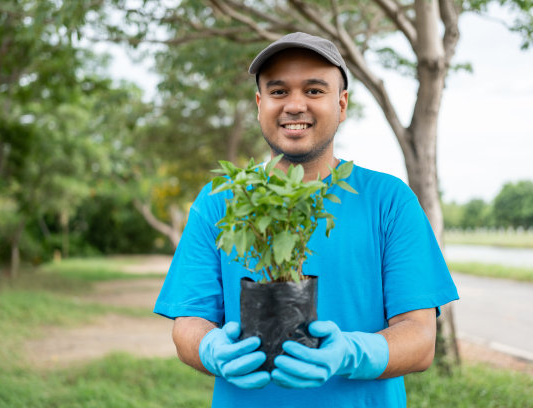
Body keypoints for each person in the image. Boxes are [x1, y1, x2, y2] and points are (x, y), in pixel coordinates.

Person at [154, 32, 459, 407]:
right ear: (259, 103)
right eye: (278, 91)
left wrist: (352, 352)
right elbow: (188, 322)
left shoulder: (389, 200)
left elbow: (421, 339)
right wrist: (208, 347)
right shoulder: (219, 202)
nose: (295, 105)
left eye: (314, 91)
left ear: (342, 104)